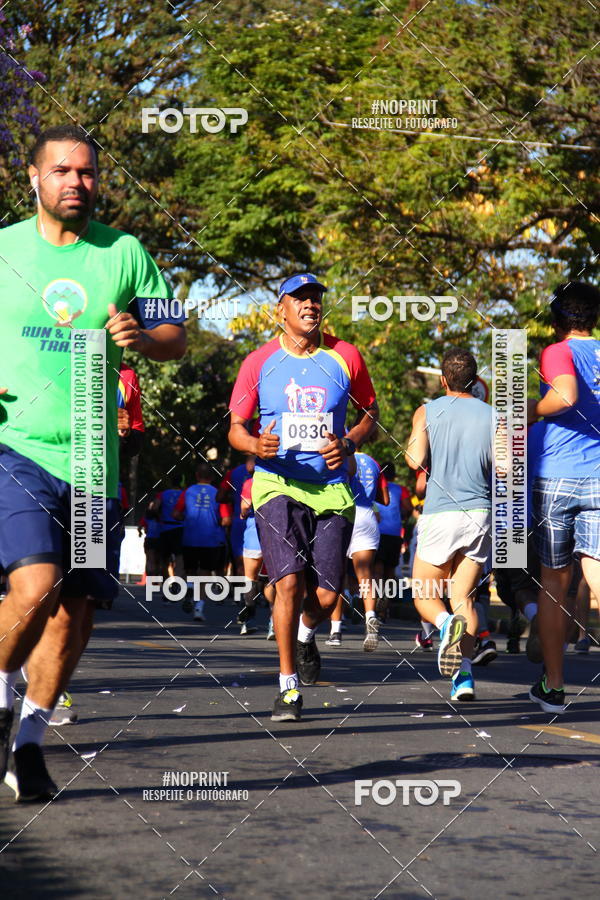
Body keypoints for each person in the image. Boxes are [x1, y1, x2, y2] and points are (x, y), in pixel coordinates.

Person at [0, 124, 186, 801]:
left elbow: (176, 337)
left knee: (75, 612)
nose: (76, 182)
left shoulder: (126, 253)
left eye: (86, 172)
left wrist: (145, 335)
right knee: (34, 588)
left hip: (92, 455)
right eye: (61, 171)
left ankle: (28, 742)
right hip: (16, 445)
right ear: (34, 178)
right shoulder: (2, 251)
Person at [228, 272, 378, 721]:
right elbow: (235, 429)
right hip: (277, 484)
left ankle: (307, 636)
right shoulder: (258, 362)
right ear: (282, 309)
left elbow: (371, 412)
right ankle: (288, 687)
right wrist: (256, 446)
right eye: (300, 299)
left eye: (316, 298)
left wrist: (349, 442)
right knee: (288, 582)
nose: (311, 305)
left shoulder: (345, 355)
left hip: (332, 489)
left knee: (328, 600)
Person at [406, 348, 494, 702]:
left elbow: (414, 459)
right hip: (481, 514)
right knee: (463, 597)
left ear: (443, 379)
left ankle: (444, 627)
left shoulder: (428, 410)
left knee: (423, 594)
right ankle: (465, 678)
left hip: (442, 511)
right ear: (474, 382)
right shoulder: (495, 415)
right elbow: (505, 469)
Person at [528, 282, 600, 713]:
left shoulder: (558, 351)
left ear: (558, 320)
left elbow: (566, 394)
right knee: (596, 577)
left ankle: (553, 687)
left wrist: (530, 408)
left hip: (557, 477)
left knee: (554, 584)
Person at [327, 451, 389, 649]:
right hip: (367, 516)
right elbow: (385, 499)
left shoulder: (334, 454)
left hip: (343, 512)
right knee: (365, 575)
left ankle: (336, 630)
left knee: (337, 574)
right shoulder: (373, 462)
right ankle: (370, 616)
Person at [173, 464, 228, 622]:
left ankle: (189, 590)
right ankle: (199, 608)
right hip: (210, 538)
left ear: (197, 475)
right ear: (212, 478)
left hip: (190, 537)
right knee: (205, 575)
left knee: (190, 570)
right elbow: (226, 519)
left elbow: (175, 514)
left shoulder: (188, 491)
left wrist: (189, 519)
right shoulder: (218, 493)